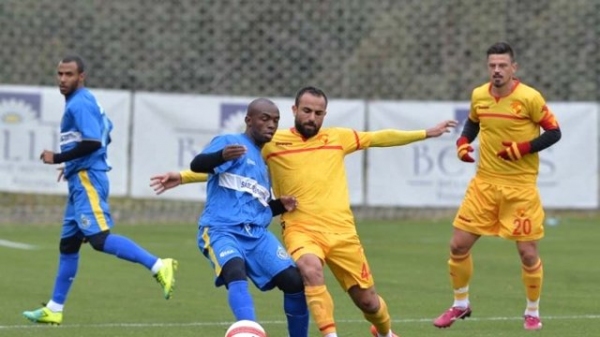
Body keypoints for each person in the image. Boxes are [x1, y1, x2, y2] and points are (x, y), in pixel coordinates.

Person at [152, 86, 457, 337]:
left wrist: (425, 133)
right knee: (308, 271)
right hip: (300, 230)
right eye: (307, 111)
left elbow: (379, 137)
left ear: (325, 114)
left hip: (342, 232)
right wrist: (182, 175)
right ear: (295, 111)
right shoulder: (272, 144)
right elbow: (228, 169)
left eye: (318, 112)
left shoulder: (338, 138)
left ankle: (385, 331)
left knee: (368, 301)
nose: (312, 117)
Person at [22, 55, 178, 326]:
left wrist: (58, 158)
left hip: (87, 180)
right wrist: (71, 162)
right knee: (68, 245)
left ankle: (158, 265)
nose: (62, 79)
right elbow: (106, 134)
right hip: (79, 176)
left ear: (81, 76)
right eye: (59, 74)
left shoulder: (80, 103)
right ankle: (55, 308)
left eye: (69, 74)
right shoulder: (85, 101)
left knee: (99, 239)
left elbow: (94, 142)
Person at [432, 42, 562, 331]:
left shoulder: (529, 98)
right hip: (484, 185)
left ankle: (532, 310)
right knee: (457, 245)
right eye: (492, 65)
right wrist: (462, 143)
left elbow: (554, 132)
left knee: (528, 254)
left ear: (513, 68)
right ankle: (460, 304)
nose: (497, 70)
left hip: (520, 188)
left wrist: (524, 148)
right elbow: (473, 123)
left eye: (503, 65)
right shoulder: (479, 95)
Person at [155, 98, 309, 337]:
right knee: (234, 271)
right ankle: (247, 331)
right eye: (265, 118)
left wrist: (279, 205)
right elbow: (198, 164)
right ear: (248, 120)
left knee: (294, 282)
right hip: (221, 230)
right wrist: (221, 156)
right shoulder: (231, 142)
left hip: (256, 235)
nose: (271, 125)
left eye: (276, 121)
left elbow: (255, 207)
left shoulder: (262, 163)